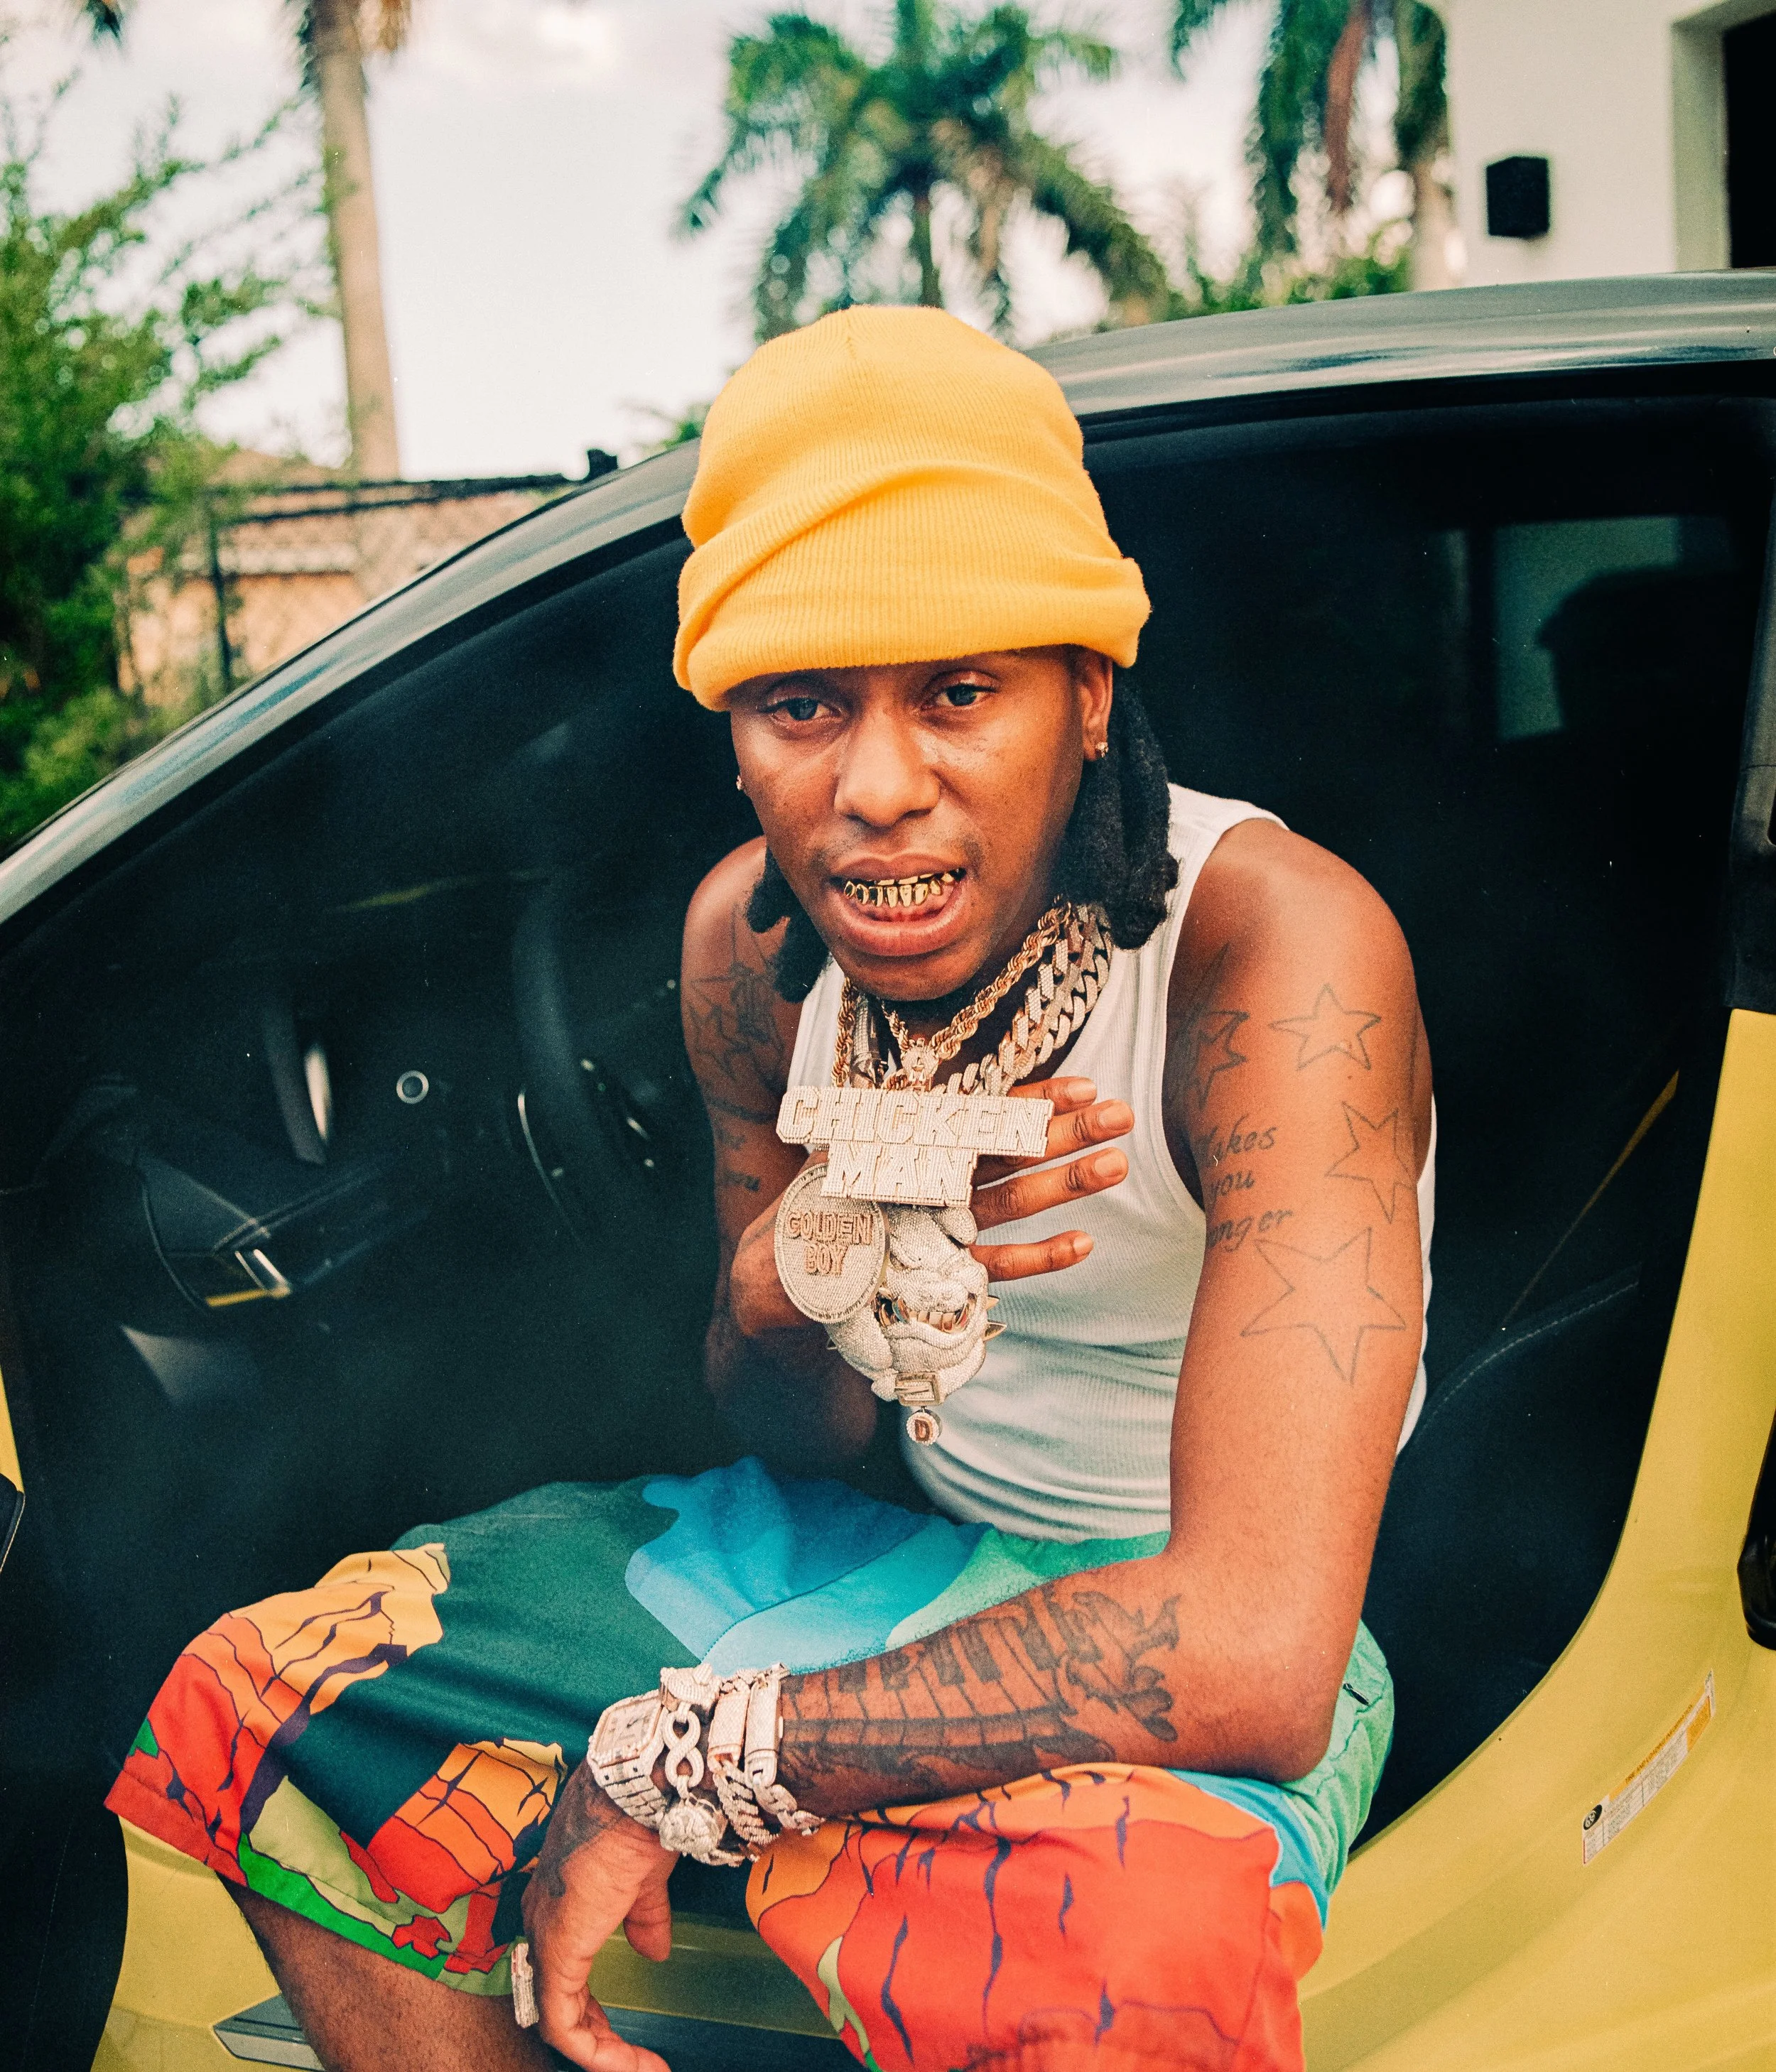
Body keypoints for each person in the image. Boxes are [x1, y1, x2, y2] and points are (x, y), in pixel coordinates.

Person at [108, 307, 1434, 2072]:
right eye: (802, 705)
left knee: (1118, 1970)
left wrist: (686, 1759)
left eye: (958, 692)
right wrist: (787, 1279)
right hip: (881, 1547)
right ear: (731, 733)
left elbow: (1255, 1651)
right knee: (265, 1704)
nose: (875, 793)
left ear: (1085, 693)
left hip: (1190, 1594)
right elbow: (799, 1437)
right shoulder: (746, 950)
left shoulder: (1270, 952)